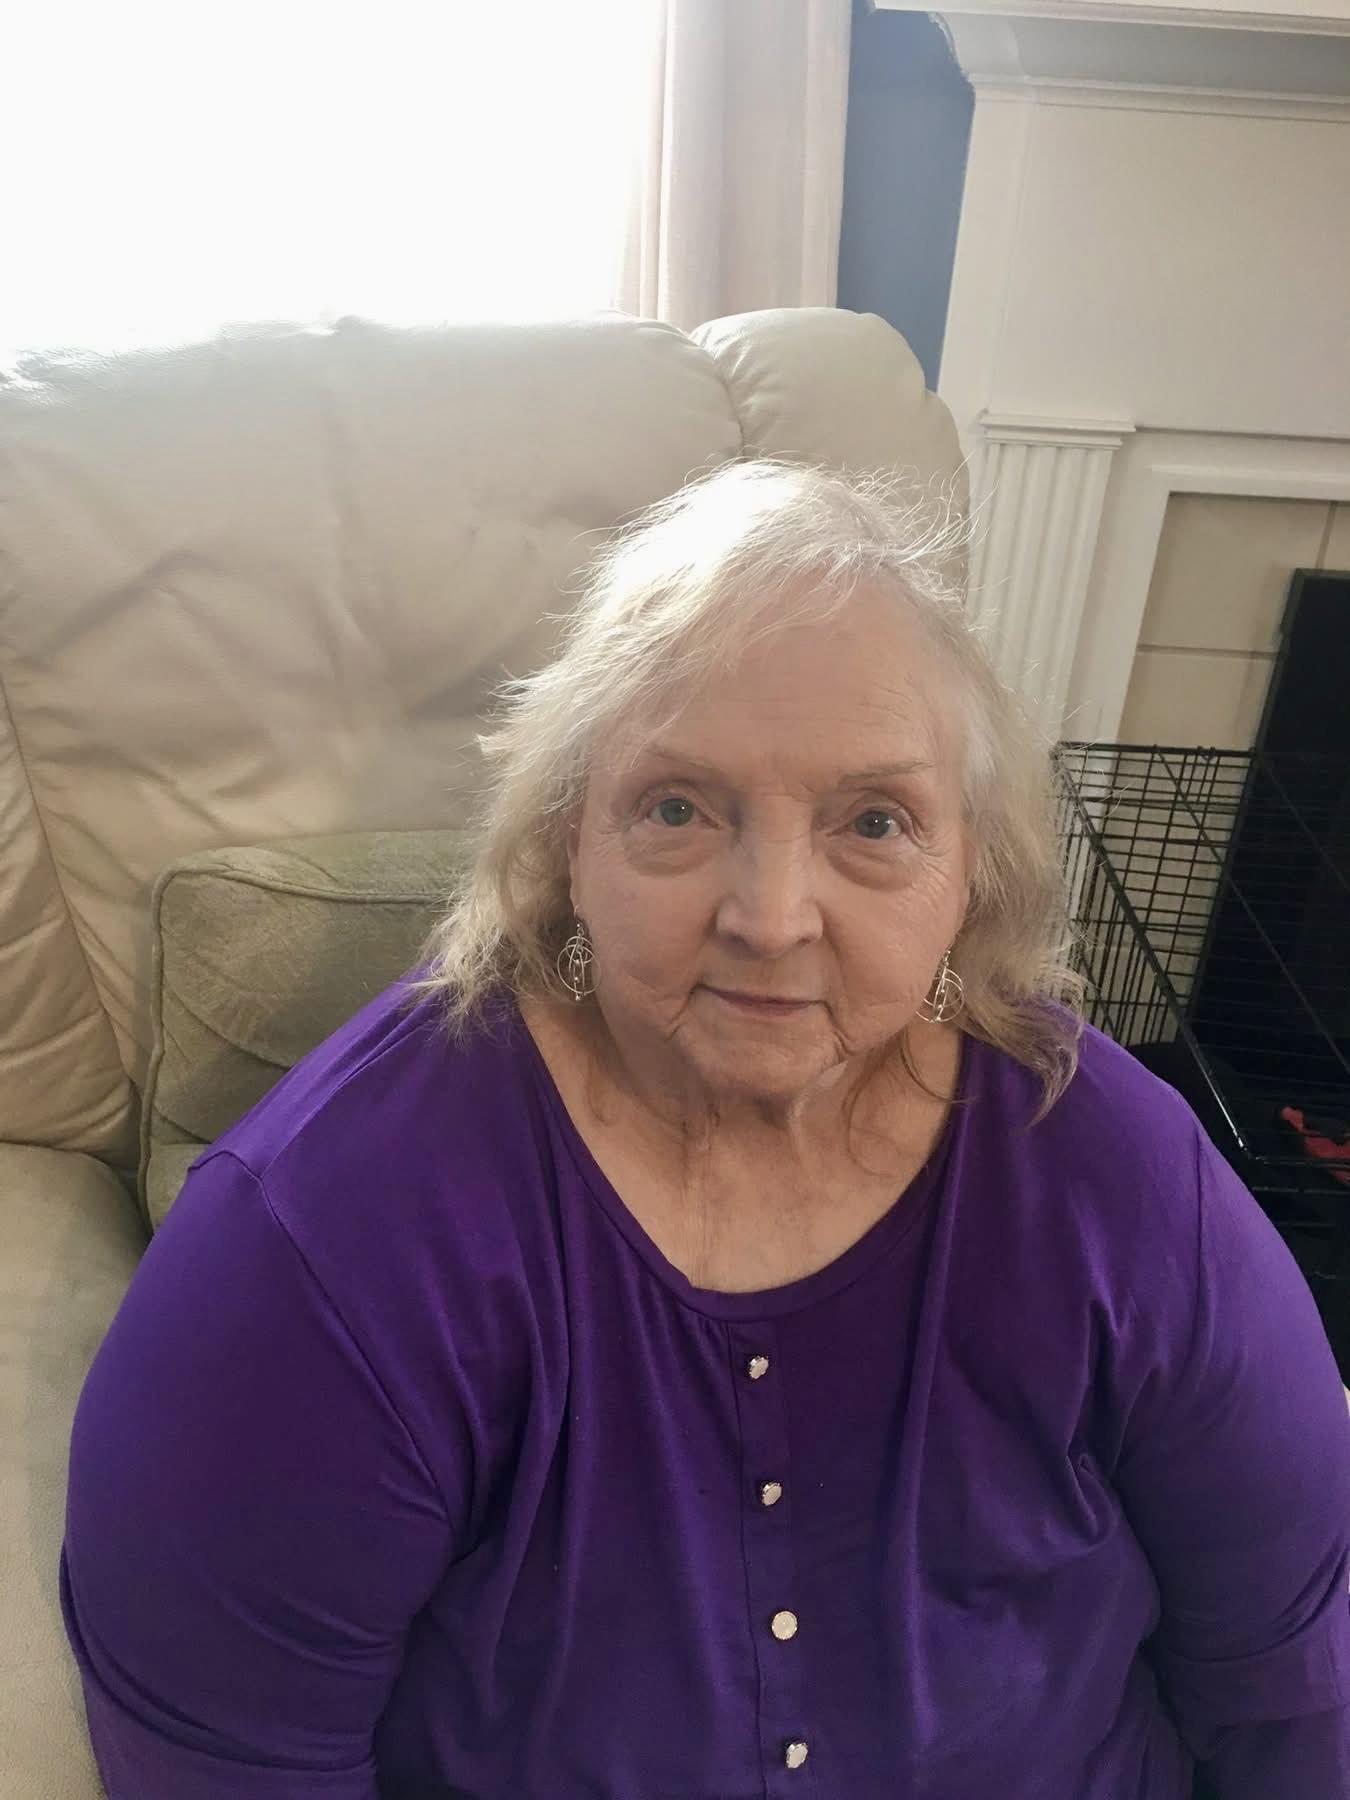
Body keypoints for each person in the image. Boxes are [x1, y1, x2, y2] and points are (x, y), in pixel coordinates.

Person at [60, 461, 1349, 1798]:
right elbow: (227, 1764)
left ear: (974, 866)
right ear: (570, 839)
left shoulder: (1119, 1182)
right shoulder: (327, 1241)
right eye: (678, 807)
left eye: (873, 822)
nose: (771, 915)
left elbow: (1294, 1674)